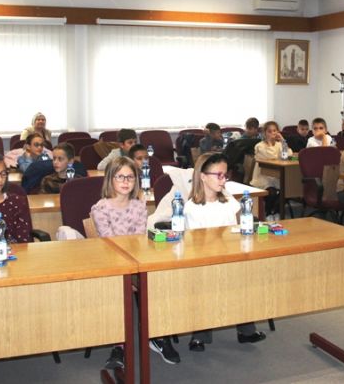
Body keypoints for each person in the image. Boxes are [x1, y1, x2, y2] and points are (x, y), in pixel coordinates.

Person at [90, 157, 181, 368]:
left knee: (158, 283)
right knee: (119, 293)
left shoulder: (139, 206)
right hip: (112, 264)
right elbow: (110, 243)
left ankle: (158, 336)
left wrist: (135, 270)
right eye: (120, 177)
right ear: (110, 179)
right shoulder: (100, 208)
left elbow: (138, 240)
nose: (125, 181)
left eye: (130, 177)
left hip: (136, 261)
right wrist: (129, 273)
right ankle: (119, 347)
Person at [185, 153, 266, 351]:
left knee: (244, 279)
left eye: (225, 175)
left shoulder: (228, 200)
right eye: (218, 175)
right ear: (203, 176)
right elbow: (198, 244)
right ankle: (200, 334)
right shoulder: (192, 207)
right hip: (203, 260)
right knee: (207, 286)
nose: (223, 180)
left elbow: (237, 225)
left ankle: (246, 330)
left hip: (230, 255)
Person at [250, 121, 285, 221]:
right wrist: (269, 143)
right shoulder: (259, 146)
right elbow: (271, 156)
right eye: (269, 131)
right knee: (272, 192)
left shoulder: (279, 144)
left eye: (274, 131)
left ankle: (276, 211)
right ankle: (268, 212)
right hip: (262, 178)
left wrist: (283, 141)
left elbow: (287, 154)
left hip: (276, 177)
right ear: (264, 133)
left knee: (285, 191)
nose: (272, 133)